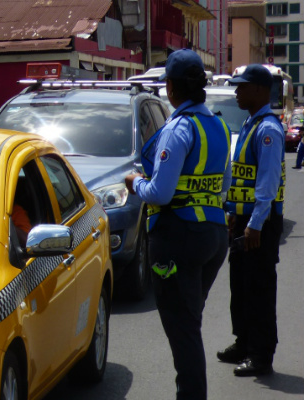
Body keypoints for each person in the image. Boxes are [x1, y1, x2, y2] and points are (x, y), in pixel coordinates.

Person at [125, 49, 232, 400]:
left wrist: (134, 183)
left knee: (183, 330)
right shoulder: (218, 125)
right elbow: (224, 185)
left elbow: (159, 192)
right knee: (190, 324)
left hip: (178, 237)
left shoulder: (178, 128)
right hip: (214, 236)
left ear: (170, 88)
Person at [217, 64, 285, 377]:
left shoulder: (267, 130)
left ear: (259, 90)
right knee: (241, 287)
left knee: (258, 290)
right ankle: (243, 343)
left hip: (259, 224)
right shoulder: (250, 123)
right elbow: (242, 176)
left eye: (242, 87)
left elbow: (268, 184)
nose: (236, 92)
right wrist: (233, 212)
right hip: (243, 219)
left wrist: (255, 223)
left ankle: (260, 356)